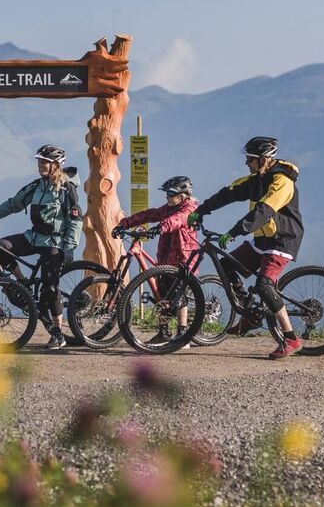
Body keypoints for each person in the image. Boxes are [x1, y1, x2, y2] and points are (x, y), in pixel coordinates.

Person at [187, 137, 304, 359]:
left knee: (263, 285)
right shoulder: (256, 179)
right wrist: (201, 210)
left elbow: (263, 212)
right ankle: (249, 314)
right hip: (262, 240)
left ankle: (291, 338)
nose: (246, 163)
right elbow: (228, 193)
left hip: (283, 239)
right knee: (226, 266)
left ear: (264, 159)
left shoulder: (282, 181)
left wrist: (233, 232)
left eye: (250, 159)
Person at [0, 145, 84, 350]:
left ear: (56, 165)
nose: (40, 165)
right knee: (0, 247)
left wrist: (69, 248)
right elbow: (12, 204)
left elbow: (76, 219)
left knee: (50, 287)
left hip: (55, 241)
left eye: (44, 162)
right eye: (39, 161)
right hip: (34, 237)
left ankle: (58, 333)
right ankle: (22, 284)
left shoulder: (66, 189)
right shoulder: (36, 186)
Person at [113, 176, 199, 345]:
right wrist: (125, 223)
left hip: (183, 258)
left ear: (182, 196)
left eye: (170, 193)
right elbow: (150, 214)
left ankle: (183, 336)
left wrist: (161, 227)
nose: (167, 197)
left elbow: (178, 220)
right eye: (166, 193)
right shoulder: (168, 208)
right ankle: (164, 333)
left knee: (179, 297)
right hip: (166, 258)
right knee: (162, 294)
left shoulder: (189, 208)